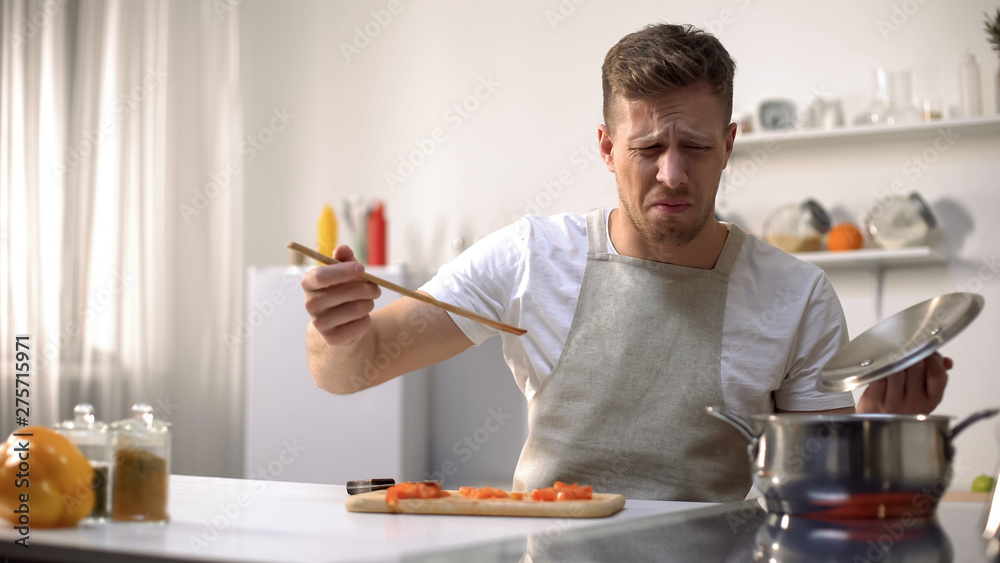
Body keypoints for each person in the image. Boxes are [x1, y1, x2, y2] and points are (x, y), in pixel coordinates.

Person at [301, 23, 949, 501]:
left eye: (695, 145)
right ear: (608, 148)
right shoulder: (532, 256)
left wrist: (888, 424)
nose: (673, 173)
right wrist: (336, 331)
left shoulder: (795, 293)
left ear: (728, 146)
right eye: (648, 147)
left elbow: (818, 496)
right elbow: (348, 372)